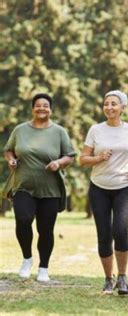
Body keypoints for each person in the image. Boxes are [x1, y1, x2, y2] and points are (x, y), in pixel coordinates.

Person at [3, 93, 75, 282]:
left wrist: (58, 163)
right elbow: (8, 150)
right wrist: (11, 159)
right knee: (23, 219)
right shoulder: (20, 130)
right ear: (32, 108)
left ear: (50, 109)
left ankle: (44, 267)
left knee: (46, 228)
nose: (42, 108)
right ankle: (27, 258)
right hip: (23, 185)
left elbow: (70, 155)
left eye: (45, 105)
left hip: (50, 189)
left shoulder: (59, 132)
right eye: (38, 105)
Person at [79, 90, 128, 295]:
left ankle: (122, 278)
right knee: (104, 234)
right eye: (106, 104)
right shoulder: (95, 130)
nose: (109, 107)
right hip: (99, 188)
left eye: (114, 104)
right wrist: (98, 158)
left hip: (124, 187)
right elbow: (82, 159)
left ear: (123, 107)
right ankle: (108, 279)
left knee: (120, 230)